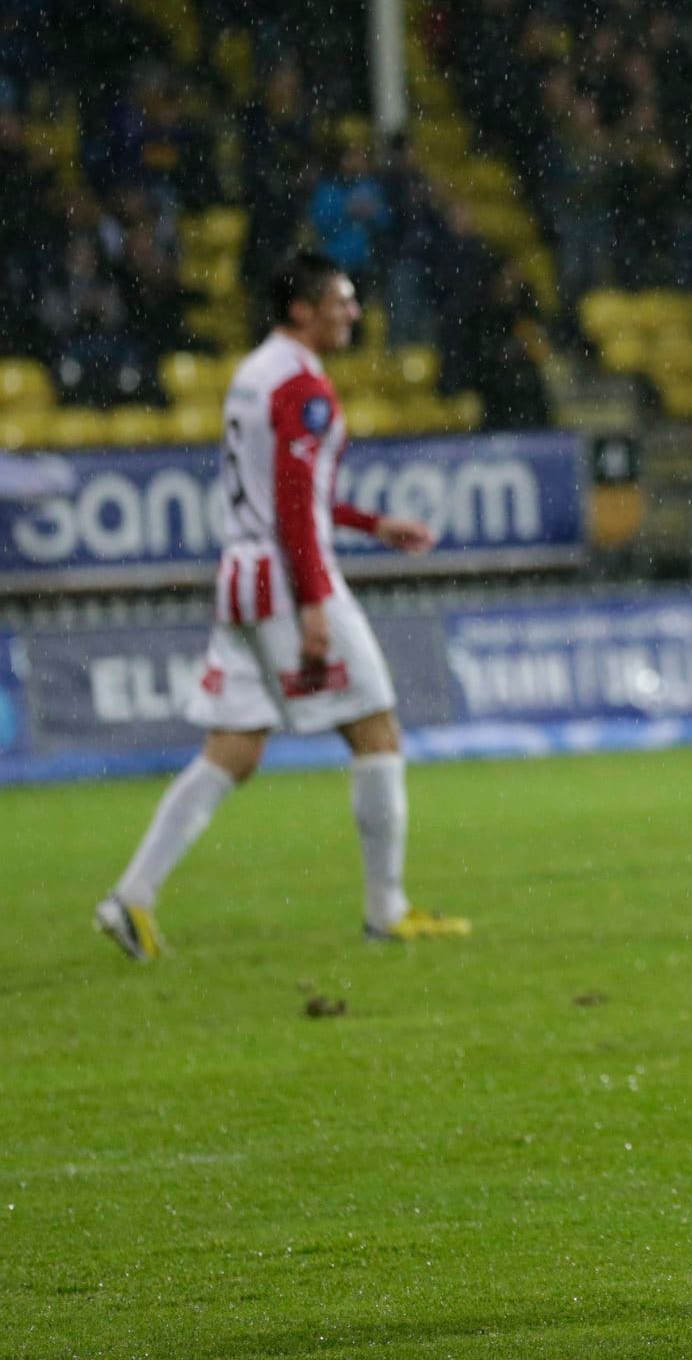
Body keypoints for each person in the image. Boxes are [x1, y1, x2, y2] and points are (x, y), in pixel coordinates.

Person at [93, 253, 461, 960]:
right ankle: (386, 912)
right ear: (302, 309)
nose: (353, 313)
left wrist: (371, 524)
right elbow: (292, 502)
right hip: (286, 584)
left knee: (233, 749)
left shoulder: (256, 372)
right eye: (341, 301)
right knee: (376, 731)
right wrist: (315, 602)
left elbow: (283, 489)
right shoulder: (300, 384)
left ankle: (130, 899)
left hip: (243, 574)